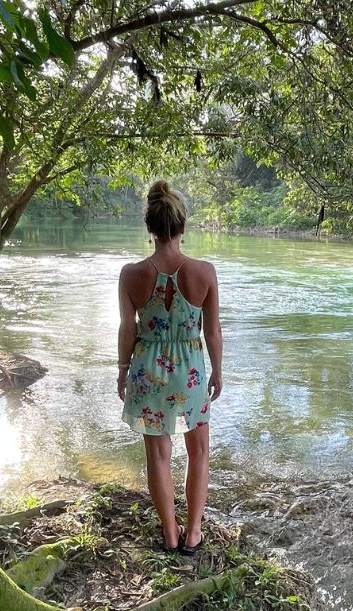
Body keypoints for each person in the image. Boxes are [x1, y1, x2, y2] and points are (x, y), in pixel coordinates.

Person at [117, 180, 223, 555]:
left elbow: (128, 329)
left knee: (158, 456)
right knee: (199, 451)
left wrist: (122, 369)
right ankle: (193, 534)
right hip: (190, 369)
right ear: (182, 226)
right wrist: (217, 372)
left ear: (150, 228)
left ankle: (170, 532)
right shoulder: (204, 272)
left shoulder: (131, 274)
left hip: (148, 370)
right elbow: (212, 331)